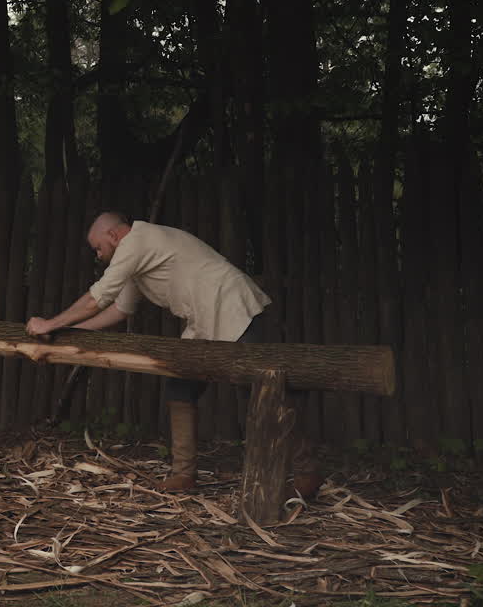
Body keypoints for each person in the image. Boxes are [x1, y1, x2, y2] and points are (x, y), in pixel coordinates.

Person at [25, 211, 323, 498]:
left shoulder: (136, 242)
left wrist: (51, 324)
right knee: (180, 387)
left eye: (98, 248)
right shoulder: (133, 257)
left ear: (113, 235)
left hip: (231, 304)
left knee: (260, 390)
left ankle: (306, 472)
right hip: (203, 318)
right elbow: (120, 309)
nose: (97, 255)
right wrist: (75, 334)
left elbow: (96, 297)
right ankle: (184, 473)